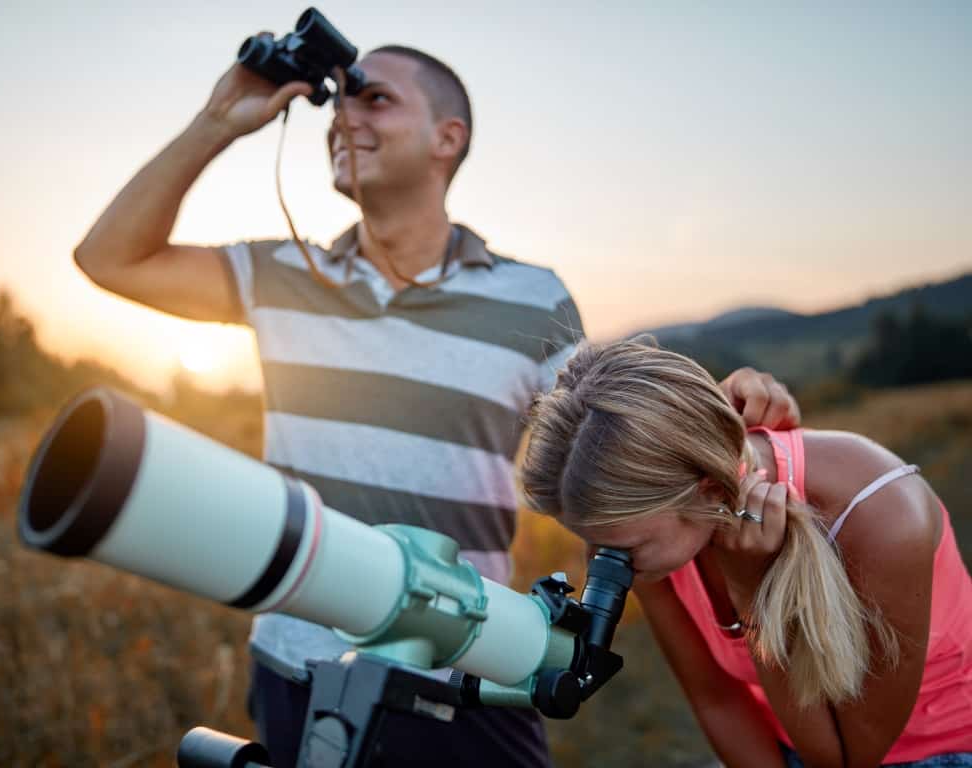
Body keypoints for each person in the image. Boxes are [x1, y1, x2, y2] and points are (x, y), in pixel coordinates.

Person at [72, 44, 802, 767]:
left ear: (447, 139)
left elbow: (621, 448)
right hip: (299, 664)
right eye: (339, 101)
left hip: (470, 661)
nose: (342, 116)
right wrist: (217, 121)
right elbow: (109, 259)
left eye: (374, 97)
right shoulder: (280, 272)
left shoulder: (531, 297)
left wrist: (720, 410)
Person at [520, 339, 972, 768]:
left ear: (711, 490)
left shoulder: (884, 518)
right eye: (595, 544)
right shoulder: (634, 533)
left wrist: (751, 590)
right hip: (782, 742)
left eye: (622, 550)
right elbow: (714, 697)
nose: (605, 564)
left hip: (931, 751)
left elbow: (848, 759)